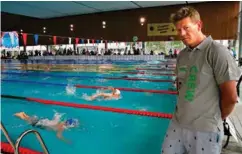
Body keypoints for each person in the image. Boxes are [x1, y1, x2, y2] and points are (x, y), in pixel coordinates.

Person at [161, 7, 241, 154]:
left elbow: (230, 97)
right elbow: (180, 87)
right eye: (179, 30)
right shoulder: (182, 55)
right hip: (178, 124)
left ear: (198, 25)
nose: (182, 34)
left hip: (205, 129)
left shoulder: (217, 52)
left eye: (186, 28)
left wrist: (214, 118)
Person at [14, 111, 79, 143]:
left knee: (29, 118)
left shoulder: (61, 122)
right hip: (40, 124)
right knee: (26, 119)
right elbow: (58, 136)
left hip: (42, 121)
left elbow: (54, 120)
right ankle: (20, 115)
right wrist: (66, 140)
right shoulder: (61, 127)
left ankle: (23, 114)